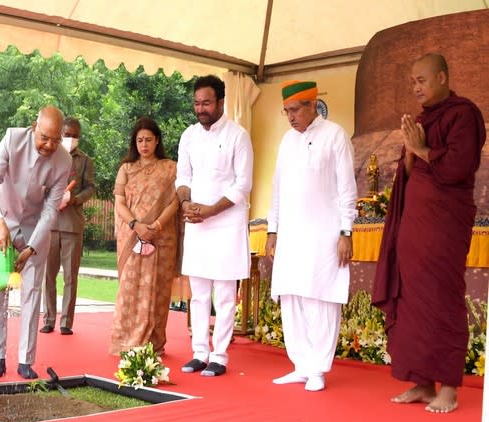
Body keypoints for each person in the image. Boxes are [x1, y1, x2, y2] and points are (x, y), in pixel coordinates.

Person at [372, 53, 486, 413]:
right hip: (414, 224)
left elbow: (457, 167)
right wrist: (410, 151)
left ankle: (449, 387)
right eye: (412, 82)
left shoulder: (463, 115)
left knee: (443, 297)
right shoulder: (423, 120)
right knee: (411, 301)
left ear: (441, 77)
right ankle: (421, 383)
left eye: (421, 80)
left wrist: (420, 148)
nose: (416, 87)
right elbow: (411, 171)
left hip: (443, 224)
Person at [265, 80, 357, 391]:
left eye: (294, 110)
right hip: (291, 235)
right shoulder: (286, 142)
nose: (290, 117)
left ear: (311, 105)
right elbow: (276, 190)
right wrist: (272, 230)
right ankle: (301, 365)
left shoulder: (335, 136)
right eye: (286, 111)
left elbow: (347, 189)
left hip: (324, 234)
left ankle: (318, 368)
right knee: (292, 297)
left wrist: (346, 232)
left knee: (321, 297)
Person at [0, 105, 72, 379]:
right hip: (1, 223)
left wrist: (31, 247)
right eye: (45, 137)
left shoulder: (63, 160)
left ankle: (25, 360)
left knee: (32, 292)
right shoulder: (11, 139)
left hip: (35, 231)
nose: (49, 145)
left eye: (56, 140)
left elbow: (51, 210)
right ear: (34, 126)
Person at [176, 75, 253, 377]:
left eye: (206, 102)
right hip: (197, 222)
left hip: (226, 225)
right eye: (196, 103)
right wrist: (185, 203)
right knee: (197, 294)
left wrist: (210, 210)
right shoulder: (189, 136)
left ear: (221, 101)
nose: (200, 108)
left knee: (223, 295)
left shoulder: (238, 135)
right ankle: (198, 353)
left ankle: (219, 356)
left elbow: (243, 184)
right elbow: (183, 177)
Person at [110, 117, 178, 355]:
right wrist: (135, 225)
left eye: (148, 139)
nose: (144, 145)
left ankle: (154, 344)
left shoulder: (170, 168)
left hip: (161, 238)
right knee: (129, 289)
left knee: (158, 290)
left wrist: (157, 225)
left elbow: (175, 202)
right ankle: (126, 342)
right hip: (132, 237)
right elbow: (119, 202)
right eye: (139, 140)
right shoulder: (126, 169)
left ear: (157, 140)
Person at [41, 117, 95, 335]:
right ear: (60, 134)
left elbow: (91, 188)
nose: (70, 139)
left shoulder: (84, 160)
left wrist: (74, 198)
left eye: (75, 135)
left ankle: (66, 322)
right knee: (49, 275)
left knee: (70, 276)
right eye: (67, 134)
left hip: (73, 223)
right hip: (51, 222)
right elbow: (40, 183)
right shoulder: (50, 155)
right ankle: (49, 318)